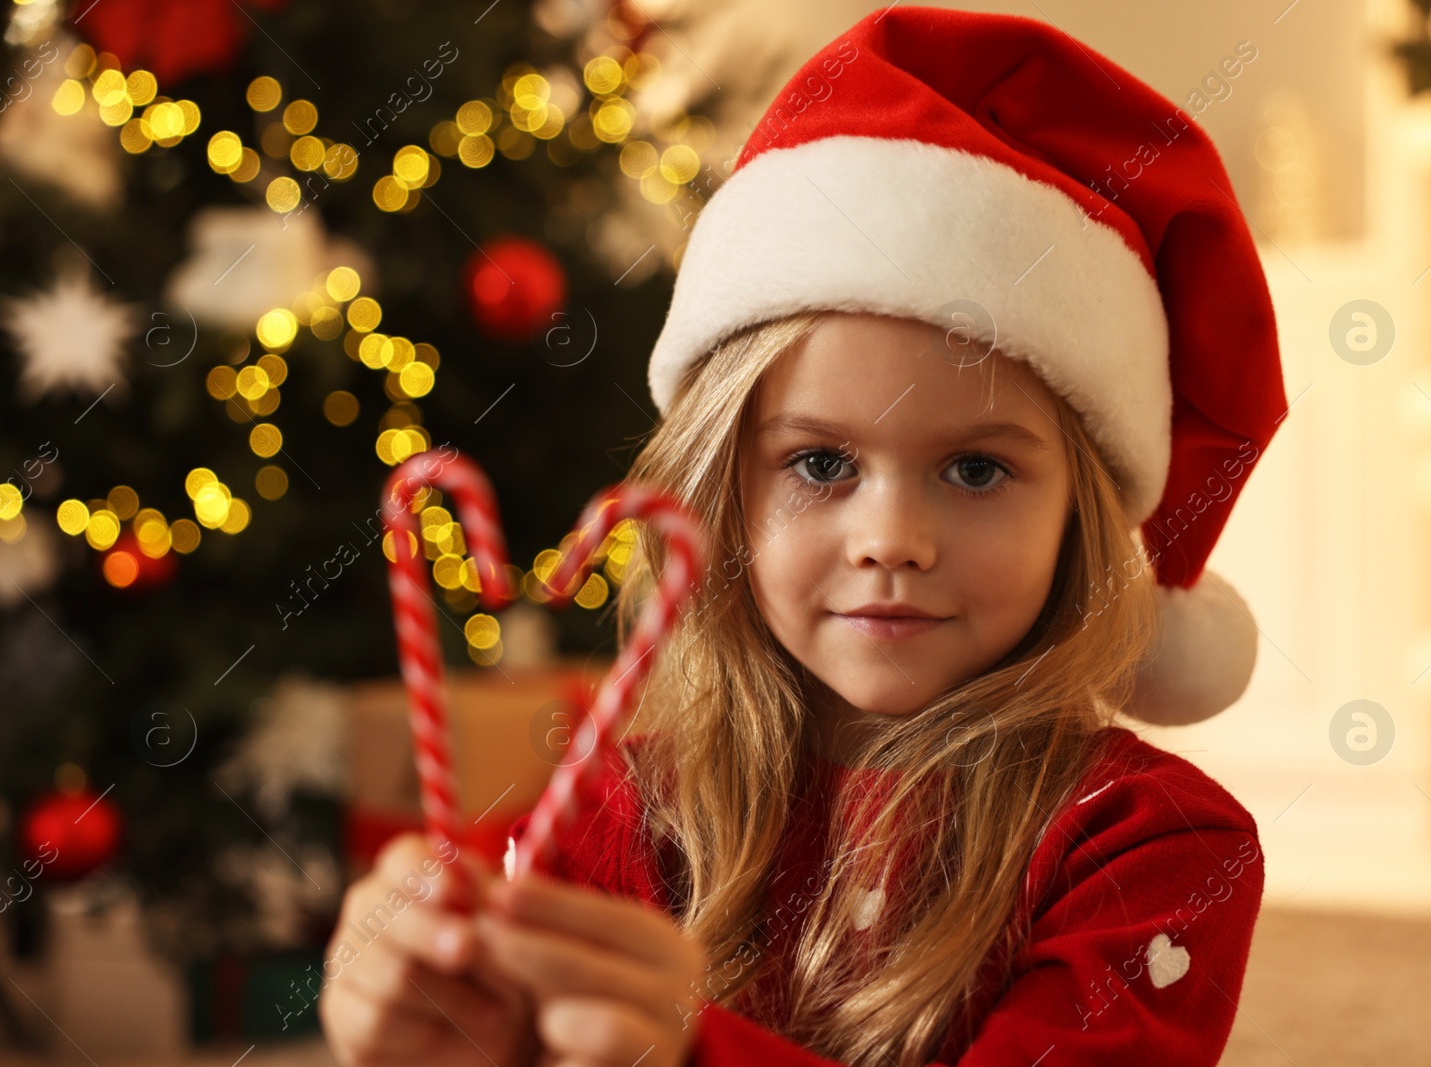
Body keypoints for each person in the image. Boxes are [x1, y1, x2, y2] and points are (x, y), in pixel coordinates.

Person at [320, 6, 1288, 1065]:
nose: (892, 539)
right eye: (820, 463)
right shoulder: (606, 812)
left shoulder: (1157, 848)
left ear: (1081, 517)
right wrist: (416, 996)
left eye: (976, 468)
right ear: (721, 492)